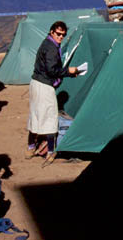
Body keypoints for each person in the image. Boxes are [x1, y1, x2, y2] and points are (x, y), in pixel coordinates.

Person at [27, 21, 83, 167]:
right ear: (52, 32)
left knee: (35, 115)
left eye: (63, 35)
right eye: (58, 34)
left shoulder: (47, 43)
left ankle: (31, 147)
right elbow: (52, 70)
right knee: (50, 118)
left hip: (36, 83)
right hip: (44, 85)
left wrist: (69, 74)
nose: (60, 37)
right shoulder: (51, 48)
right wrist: (69, 71)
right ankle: (51, 151)